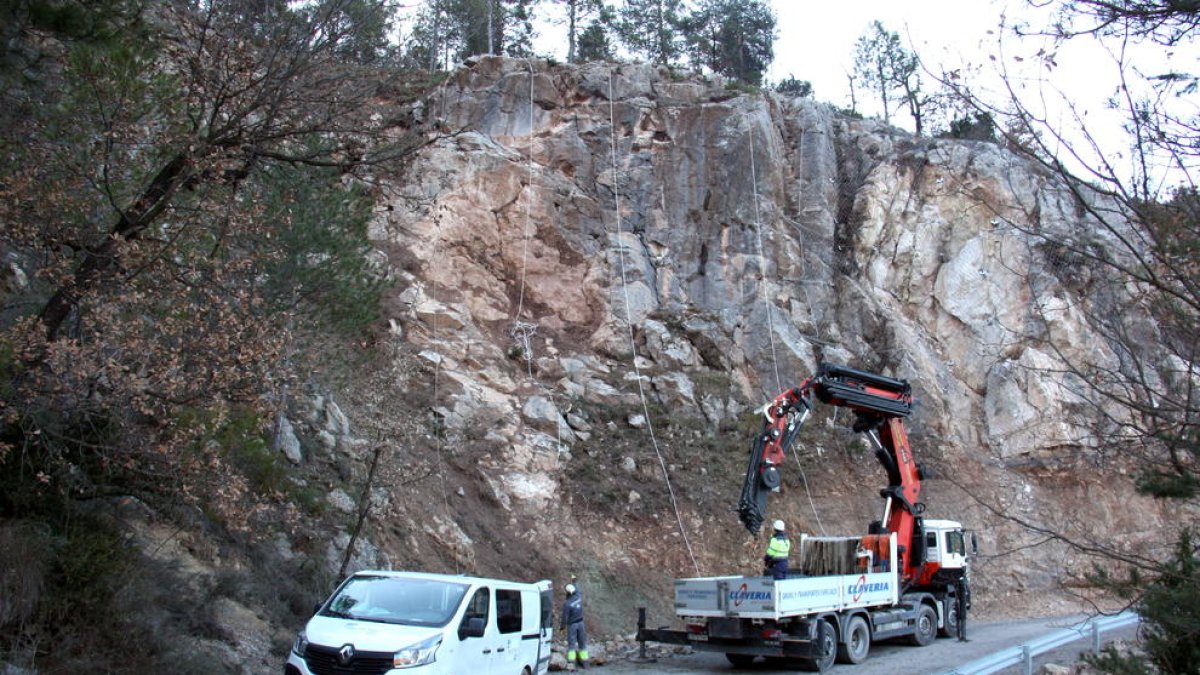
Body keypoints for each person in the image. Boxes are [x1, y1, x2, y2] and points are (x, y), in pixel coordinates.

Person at [560, 582, 589, 669]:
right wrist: (574, 580)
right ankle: (585, 664)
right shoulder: (579, 597)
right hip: (581, 624)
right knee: (582, 644)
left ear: (567, 592)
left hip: (572, 625)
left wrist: (562, 627)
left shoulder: (567, 603)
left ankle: (572, 664)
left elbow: (564, 617)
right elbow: (577, 589)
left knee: (571, 645)